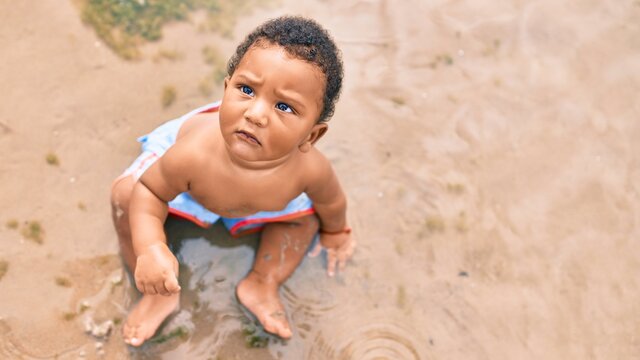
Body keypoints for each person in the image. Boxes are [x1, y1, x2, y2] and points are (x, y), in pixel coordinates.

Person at [110, 16, 355, 347]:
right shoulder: (193, 154)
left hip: (260, 205)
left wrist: (336, 232)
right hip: (187, 191)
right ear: (226, 89)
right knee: (126, 195)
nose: (255, 113)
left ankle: (262, 282)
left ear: (311, 134)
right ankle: (157, 292)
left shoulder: (309, 170)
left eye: (284, 106)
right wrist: (150, 246)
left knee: (306, 222)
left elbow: (331, 202)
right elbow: (151, 191)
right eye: (246, 90)